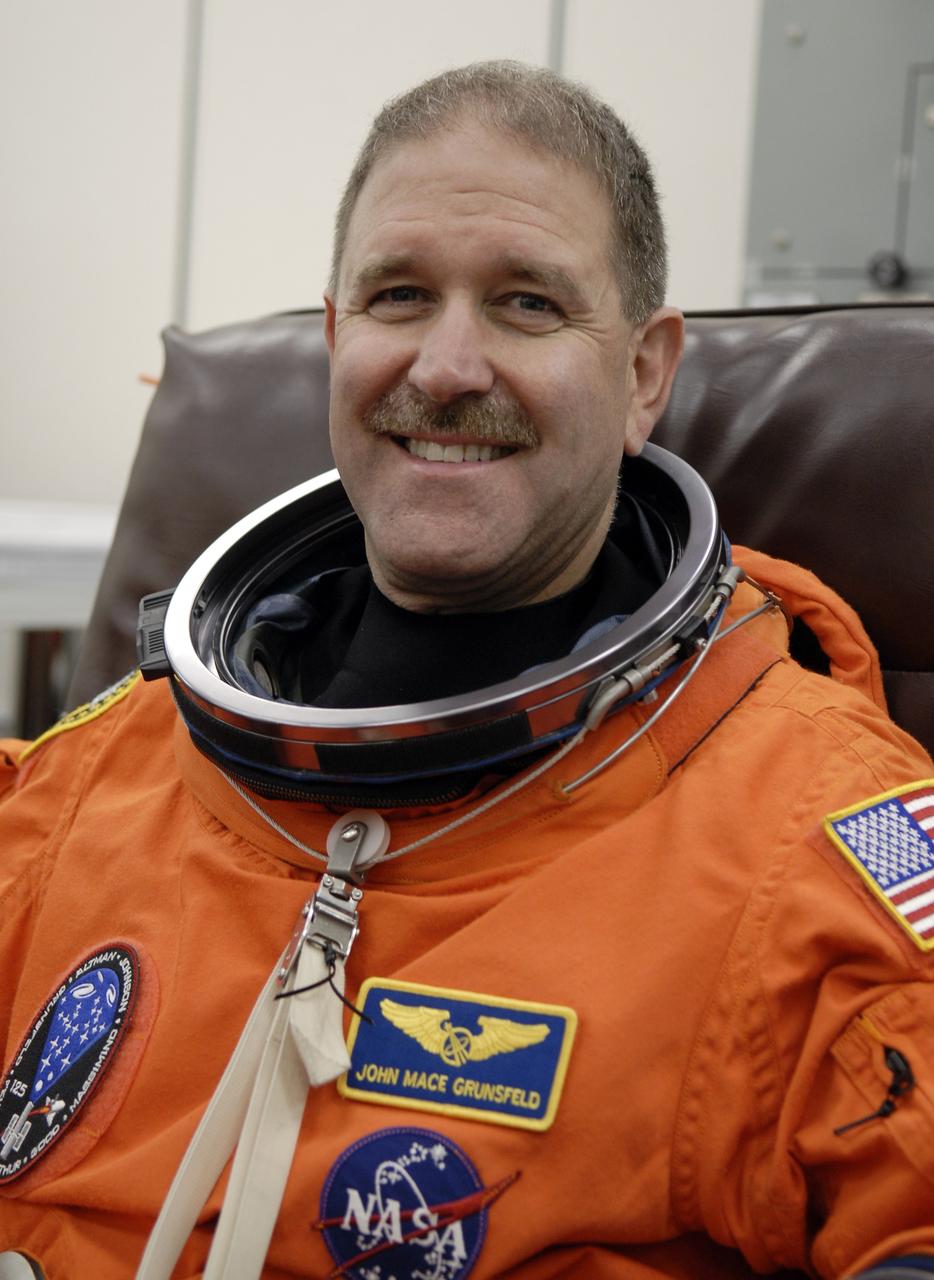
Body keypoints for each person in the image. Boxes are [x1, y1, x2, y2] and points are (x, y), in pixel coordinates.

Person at [1, 60, 933, 1280]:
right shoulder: (86, 785)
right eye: (396, 296)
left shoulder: (817, 842)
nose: (443, 368)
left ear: (645, 373)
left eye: (527, 305)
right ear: (336, 339)